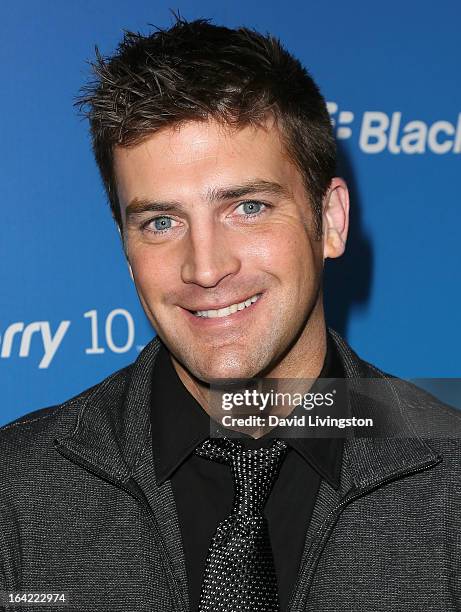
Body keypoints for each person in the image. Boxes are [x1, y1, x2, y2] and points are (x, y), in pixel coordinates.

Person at [1, 17, 460, 612]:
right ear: (124, 244)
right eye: (160, 222)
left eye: (248, 206)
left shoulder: (449, 477)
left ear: (332, 220)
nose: (206, 268)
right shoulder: (16, 490)